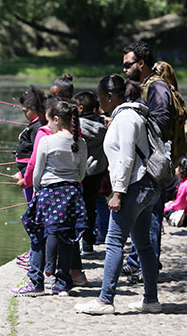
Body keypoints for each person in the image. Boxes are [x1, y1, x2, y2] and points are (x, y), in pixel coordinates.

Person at [75, 74, 162, 314]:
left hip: (133, 187)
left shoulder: (125, 119)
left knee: (114, 242)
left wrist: (118, 193)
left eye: (101, 97)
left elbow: (125, 158)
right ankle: (151, 300)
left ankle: (105, 300)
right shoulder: (135, 113)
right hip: (149, 186)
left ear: (111, 96)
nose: (98, 101)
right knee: (143, 244)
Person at [11, 97, 88, 296]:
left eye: (47, 120)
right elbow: (81, 174)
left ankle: (36, 280)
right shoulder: (80, 142)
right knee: (67, 237)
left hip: (48, 193)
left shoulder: (46, 141)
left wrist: (38, 189)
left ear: (56, 119)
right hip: (72, 194)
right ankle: (62, 283)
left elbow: (37, 173)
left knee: (37, 235)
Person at [120, 41, 173, 279]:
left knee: (151, 214)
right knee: (142, 213)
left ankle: (148, 266)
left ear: (141, 63)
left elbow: (161, 122)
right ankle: (138, 260)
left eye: (128, 64)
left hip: (154, 162)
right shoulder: (146, 86)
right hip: (146, 160)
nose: (124, 69)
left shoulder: (158, 87)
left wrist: (134, 127)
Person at [73, 91, 108, 255]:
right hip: (97, 171)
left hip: (79, 172)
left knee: (75, 207)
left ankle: (76, 240)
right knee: (91, 206)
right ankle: (88, 242)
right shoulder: (103, 126)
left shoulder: (76, 126)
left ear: (80, 108)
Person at [13, 85, 47, 203]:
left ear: (35, 109)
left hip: (30, 175)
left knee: (33, 204)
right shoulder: (35, 124)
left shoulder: (38, 127)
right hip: (28, 175)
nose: (25, 115)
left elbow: (36, 157)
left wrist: (23, 174)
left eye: (25, 111)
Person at [164, 156, 187, 227]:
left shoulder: (185, 186)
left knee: (163, 210)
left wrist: (166, 207)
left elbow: (179, 206)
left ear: (180, 169)